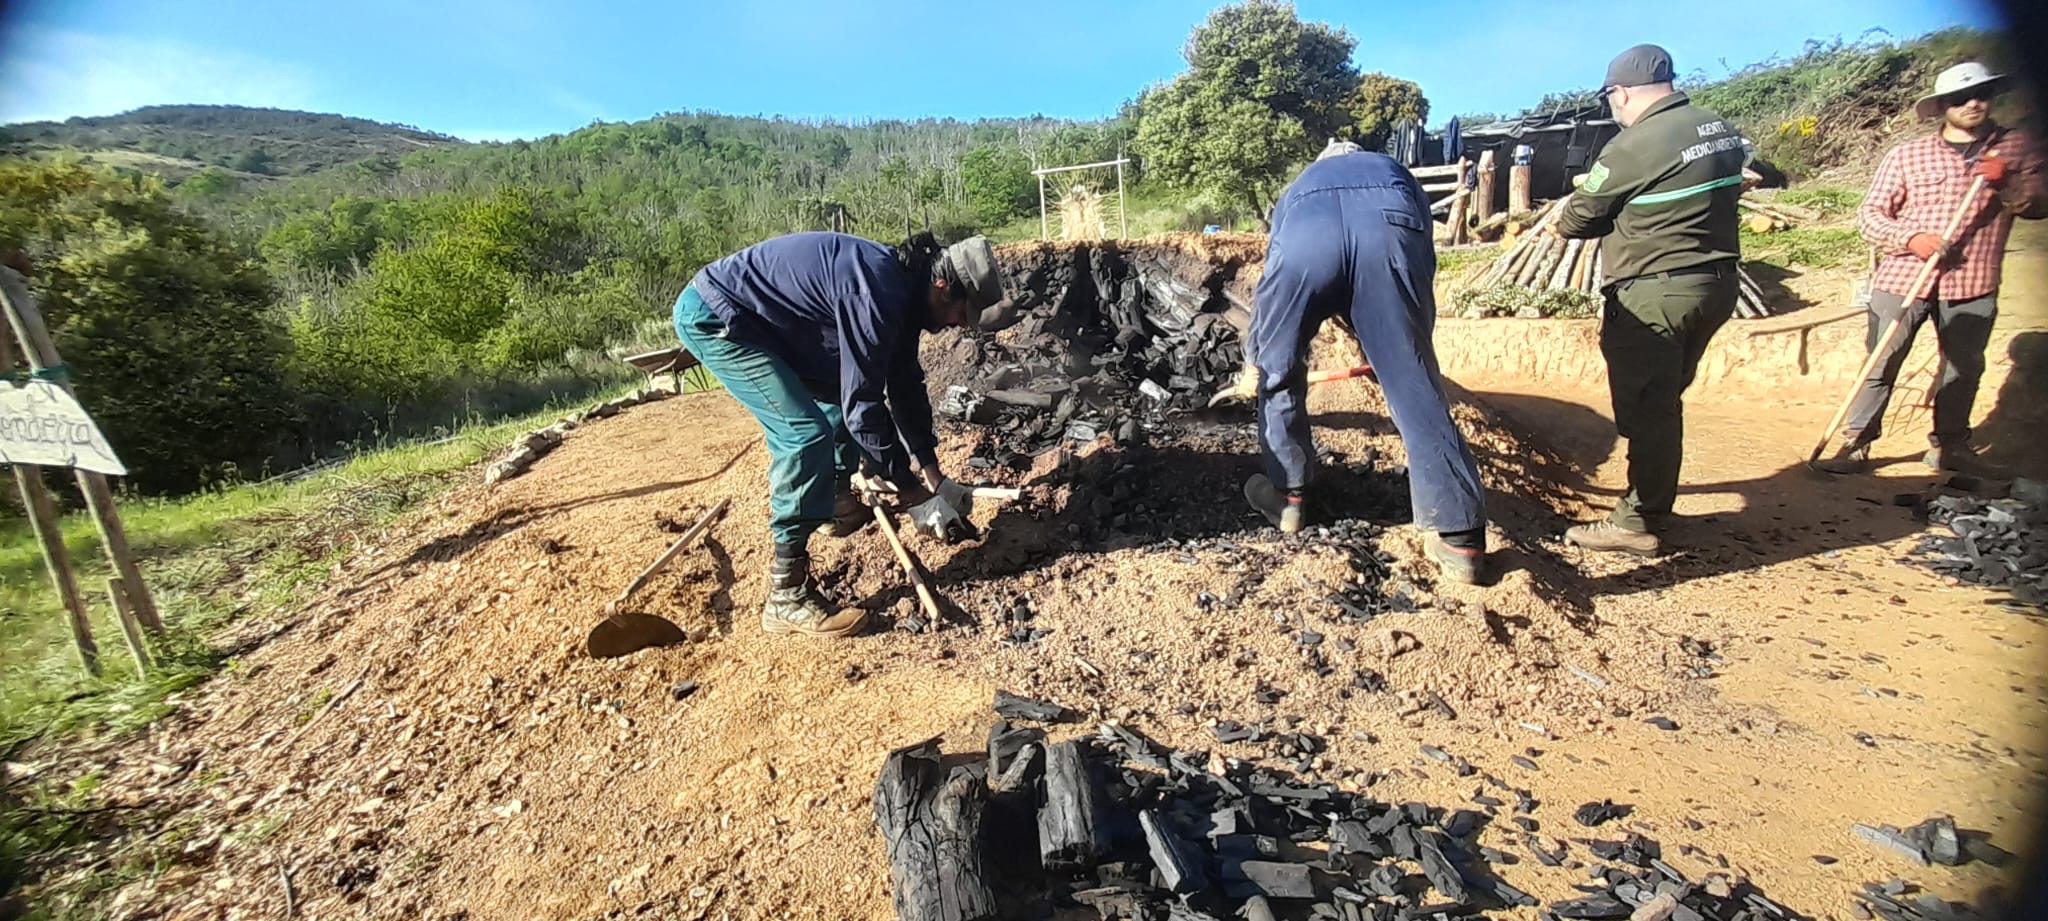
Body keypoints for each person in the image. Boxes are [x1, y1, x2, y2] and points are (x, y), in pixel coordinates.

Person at [673, 231, 1006, 638]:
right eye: (961, 312)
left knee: (836, 395)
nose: (956, 325)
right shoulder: (877, 290)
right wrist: (913, 494)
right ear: (942, 287)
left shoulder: (904, 291)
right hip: (721, 318)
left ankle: (832, 502)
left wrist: (935, 478)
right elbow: (864, 408)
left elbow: (903, 385)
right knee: (804, 435)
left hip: (773, 324)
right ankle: (786, 594)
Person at [1242, 139, 1491, 584]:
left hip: (1304, 245)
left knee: (1280, 373)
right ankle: (1460, 540)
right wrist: (1400, 346)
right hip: (1388, 234)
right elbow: (1418, 267)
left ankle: (1289, 498)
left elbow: (1273, 289)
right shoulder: (1394, 172)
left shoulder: (1299, 186)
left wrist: (1257, 357)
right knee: (1414, 385)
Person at [1551, 44, 1745, 557]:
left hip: (1656, 288)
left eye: (1610, 97)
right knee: (1666, 397)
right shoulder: (1716, 127)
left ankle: (1637, 519)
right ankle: (1654, 501)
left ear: (1620, 93)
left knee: (1648, 405)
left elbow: (1578, 219)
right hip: (1717, 283)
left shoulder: (1635, 145)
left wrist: (1577, 215)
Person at [1818, 62, 2045, 475]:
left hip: (1973, 281)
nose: (1973, 103)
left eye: (1981, 94)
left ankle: (1951, 447)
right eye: (1961, 97)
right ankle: (1856, 441)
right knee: (1881, 362)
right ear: (1943, 106)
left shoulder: (2014, 150)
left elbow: (2038, 206)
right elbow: (1870, 215)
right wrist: (1911, 239)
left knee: (1963, 366)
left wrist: (2005, 183)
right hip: (1902, 279)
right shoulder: (1908, 155)